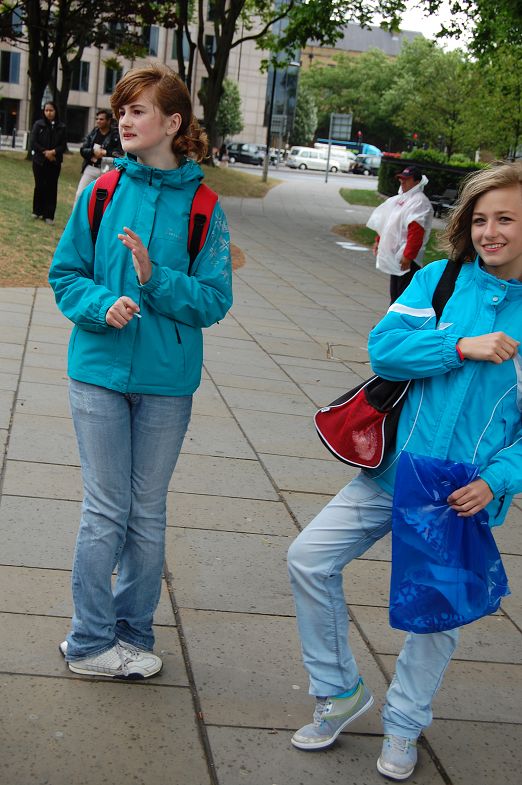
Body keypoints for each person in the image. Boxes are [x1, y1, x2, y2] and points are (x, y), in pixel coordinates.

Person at [288, 160, 522, 780]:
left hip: (458, 494)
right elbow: (384, 349)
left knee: (435, 615)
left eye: (505, 219)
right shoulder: (440, 282)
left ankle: (404, 724)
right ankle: (337, 690)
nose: (490, 232)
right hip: (391, 472)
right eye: (480, 219)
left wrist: (496, 481)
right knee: (308, 558)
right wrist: (458, 346)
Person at [48, 64, 233, 679]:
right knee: (106, 510)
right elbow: (66, 274)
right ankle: (89, 641)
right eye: (121, 110)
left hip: (166, 383)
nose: (123, 120)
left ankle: (131, 634)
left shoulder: (204, 206)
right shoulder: (100, 190)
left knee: (146, 513)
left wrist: (155, 279)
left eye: (138, 110)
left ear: (173, 122)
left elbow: (214, 300)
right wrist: (102, 305)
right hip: (97, 374)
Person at [367, 165, 433, 303]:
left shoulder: (419, 202)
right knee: (395, 294)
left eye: (407, 179)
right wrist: (379, 240)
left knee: (403, 296)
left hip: (406, 258)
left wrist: (408, 256)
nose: (402, 182)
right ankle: (392, 316)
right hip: (397, 255)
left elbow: (416, 231)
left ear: (416, 182)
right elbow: (388, 223)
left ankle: (397, 317)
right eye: (402, 178)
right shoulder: (402, 199)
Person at [73, 109, 123, 204]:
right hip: (91, 167)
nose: (98, 121)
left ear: (108, 121)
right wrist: (93, 152)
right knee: (80, 194)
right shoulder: (93, 133)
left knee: (104, 199)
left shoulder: (116, 135)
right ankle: (77, 214)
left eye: (101, 119)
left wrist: (105, 152)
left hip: (107, 169)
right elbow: (83, 150)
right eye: (97, 119)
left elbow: (119, 153)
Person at [30, 101, 67, 224]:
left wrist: (53, 152)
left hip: (54, 162)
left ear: (55, 111)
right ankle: (37, 211)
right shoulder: (38, 125)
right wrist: (45, 152)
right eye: (46, 110)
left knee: (52, 187)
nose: (49, 113)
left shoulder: (61, 127)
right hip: (39, 161)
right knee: (39, 185)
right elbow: (33, 142)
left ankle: (49, 215)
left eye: (51, 110)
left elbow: (63, 145)